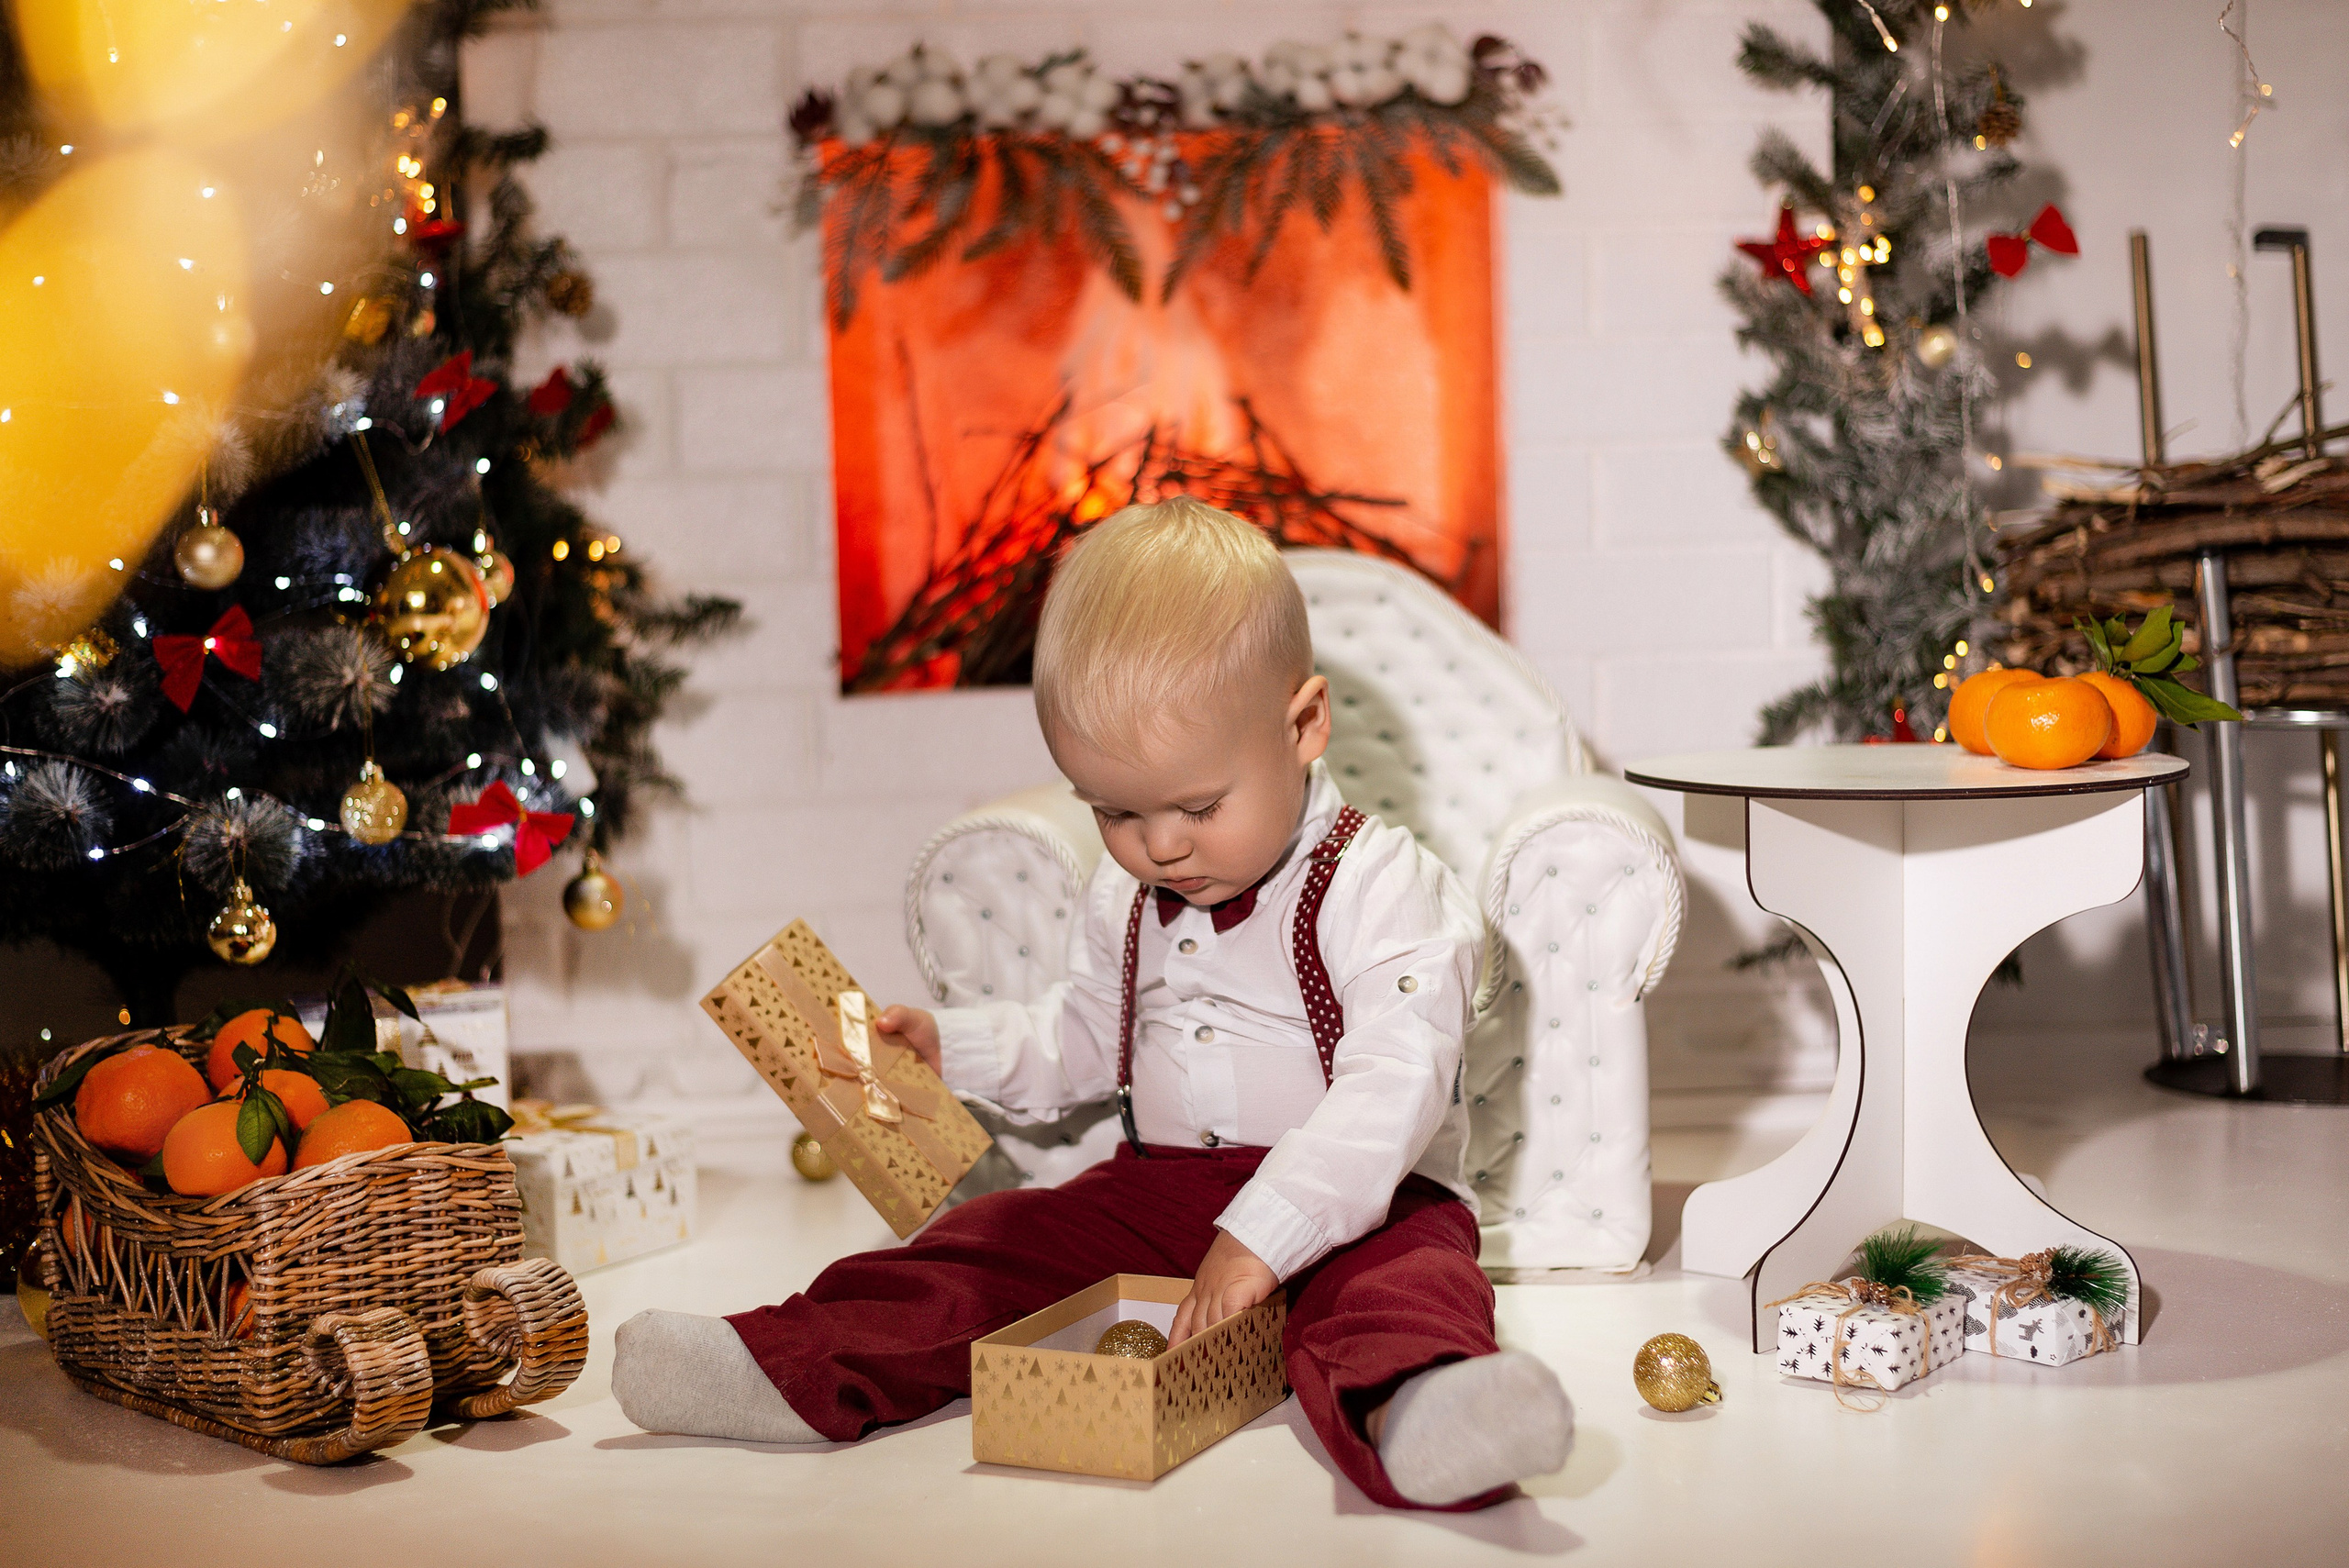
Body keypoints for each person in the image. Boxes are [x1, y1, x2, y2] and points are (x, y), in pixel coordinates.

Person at [612, 497, 1573, 1508]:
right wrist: (952, 1048)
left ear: (1303, 724)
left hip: (1363, 1200)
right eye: (1115, 810)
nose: (1159, 845)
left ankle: (1424, 1411)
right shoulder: (1126, 895)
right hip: (1154, 1193)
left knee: (1405, 1292)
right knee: (985, 1246)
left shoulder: (1381, 883)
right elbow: (1078, 1038)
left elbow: (1394, 1082)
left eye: (1198, 806)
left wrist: (1262, 1237)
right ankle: (781, 1359)